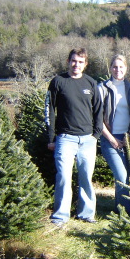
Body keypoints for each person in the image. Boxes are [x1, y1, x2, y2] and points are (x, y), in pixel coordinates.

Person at [45, 48, 103, 226]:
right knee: (63, 176)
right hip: (65, 139)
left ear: (85, 64)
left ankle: (86, 214)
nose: (76, 65)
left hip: (87, 140)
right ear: (68, 61)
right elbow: (50, 111)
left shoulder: (91, 83)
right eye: (73, 61)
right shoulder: (58, 82)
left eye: (80, 62)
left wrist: (95, 135)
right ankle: (61, 216)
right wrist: (51, 138)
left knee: (86, 177)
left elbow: (98, 111)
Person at [98, 54, 130, 215]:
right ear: (110, 68)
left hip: (128, 137)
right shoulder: (102, 88)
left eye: (121, 67)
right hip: (109, 137)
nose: (118, 70)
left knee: (125, 175)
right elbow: (97, 119)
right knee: (121, 174)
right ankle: (125, 215)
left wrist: (129, 135)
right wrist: (112, 139)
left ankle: (118, 210)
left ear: (126, 68)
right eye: (115, 66)